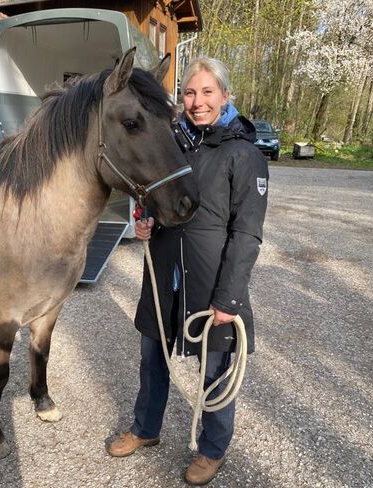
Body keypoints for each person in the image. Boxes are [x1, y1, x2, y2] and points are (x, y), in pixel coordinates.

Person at [107, 57, 269, 486]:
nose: (197, 103)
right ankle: (146, 428)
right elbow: (158, 195)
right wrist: (146, 218)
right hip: (164, 274)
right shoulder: (174, 142)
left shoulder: (244, 155)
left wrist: (228, 298)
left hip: (212, 282)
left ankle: (212, 449)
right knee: (151, 357)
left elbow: (247, 235)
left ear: (225, 96)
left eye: (207, 93)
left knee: (216, 371)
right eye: (190, 93)